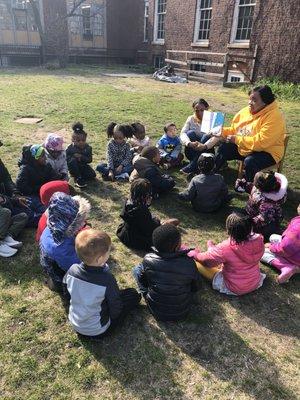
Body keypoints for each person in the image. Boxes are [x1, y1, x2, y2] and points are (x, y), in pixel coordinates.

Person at [63, 229, 141, 341]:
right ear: (100, 259)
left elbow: (66, 291)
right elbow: (115, 306)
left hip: (75, 323)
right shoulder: (107, 279)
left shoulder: (72, 270)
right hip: (98, 330)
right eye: (109, 251)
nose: (110, 252)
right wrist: (114, 318)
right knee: (132, 294)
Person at [215, 85, 286, 182]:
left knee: (250, 161)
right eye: (249, 99)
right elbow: (235, 130)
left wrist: (236, 139)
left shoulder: (274, 117)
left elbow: (261, 142)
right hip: (247, 147)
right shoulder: (246, 111)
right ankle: (210, 175)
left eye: (254, 100)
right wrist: (220, 131)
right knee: (224, 147)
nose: (250, 103)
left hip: (268, 152)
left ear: (265, 102)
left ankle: (250, 187)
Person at [132, 224, 201, 321]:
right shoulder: (189, 262)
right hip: (182, 312)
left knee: (137, 269)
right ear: (178, 246)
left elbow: (143, 282)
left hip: (155, 309)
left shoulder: (148, 259)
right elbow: (196, 287)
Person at [189, 212, 265, 296]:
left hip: (234, 287)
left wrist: (195, 254)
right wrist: (212, 248)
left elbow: (207, 261)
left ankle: (191, 257)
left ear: (229, 230)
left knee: (196, 263)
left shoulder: (226, 247)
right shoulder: (259, 240)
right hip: (255, 281)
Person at [39, 192, 91, 292]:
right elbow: (80, 267)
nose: (84, 222)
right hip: (61, 277)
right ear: (70, 225)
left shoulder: (50, 229)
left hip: (53, 264)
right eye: (80, 221)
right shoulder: (62, 248)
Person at [116, 178, 179, 251]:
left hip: (125, 233)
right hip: (136, 240)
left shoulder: (128, 202)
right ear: (146, 195)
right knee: (174, 222)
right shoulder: (142, 211)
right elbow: (149, 230)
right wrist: (158, 222)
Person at [16, 144, 59, 226]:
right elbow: (21, 187)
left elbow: (54, 178)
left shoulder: (47, 166)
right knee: (42, 208)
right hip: (31, 195)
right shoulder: (25, 169)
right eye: (42, 156)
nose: (45, 158)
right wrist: (39, 188)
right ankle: (46, 219)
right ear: (35, 158)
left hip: (44, 192)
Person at [241, 171, 288, 241]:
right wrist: (244, 185)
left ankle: (270, 235)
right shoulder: (269, 189)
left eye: (254, 181)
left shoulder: (267, 203)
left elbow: (264, 218)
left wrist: (251, 222)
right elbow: (253, 188)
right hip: (254, 211)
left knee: (266, 230)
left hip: (266, 222)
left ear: (260, 188)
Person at [261, 203, 300, 283]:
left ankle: (287, 267)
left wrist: (271, 247)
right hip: (295, 249)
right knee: (273, 237)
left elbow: (285, 248)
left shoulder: (297, 229)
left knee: (262, 252)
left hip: (294, 256)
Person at [180, 98, 211, 174]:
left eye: (202, 110)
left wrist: (204, 145)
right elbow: (182, 133)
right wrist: (188, 143)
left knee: (206, 136)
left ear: (207, 108)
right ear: (194, 110)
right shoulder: (191, 118)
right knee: (190, 133)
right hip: (192, 150)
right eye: (196, 110)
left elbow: (218, 140)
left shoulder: (213, 119)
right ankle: (196, 164)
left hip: (206, 150)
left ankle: (193, 165)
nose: (199, 113)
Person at [66, 122, 96, 188]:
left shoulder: (88, 147)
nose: (81, 142)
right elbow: (66, 159)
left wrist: (81, 157)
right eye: (78, 140)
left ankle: (80, 176)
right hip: (73, 167)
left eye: (83, 140)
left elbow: (89, 160)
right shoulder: (69, 148)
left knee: (92, 175)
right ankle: (78, 178)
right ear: (73, 140)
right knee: (72, 160)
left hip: (83, 166)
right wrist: (73, 157)